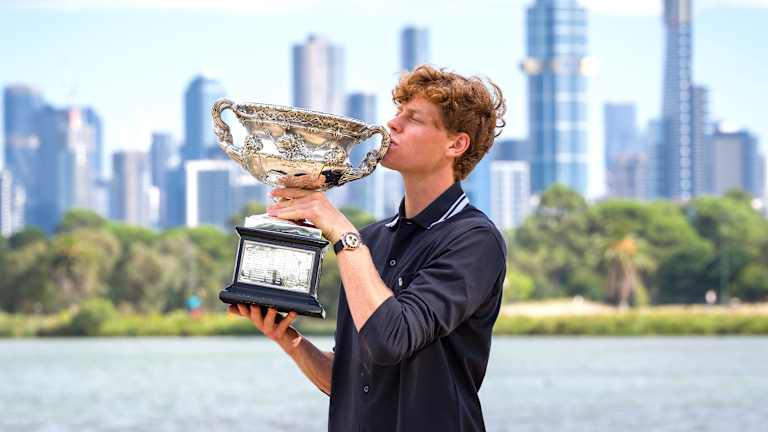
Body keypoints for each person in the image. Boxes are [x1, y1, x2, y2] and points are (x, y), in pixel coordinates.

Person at [228, 65, 507, 431]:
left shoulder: (473, 240)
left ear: (455, 144)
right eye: (397, 112)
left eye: (414, 118)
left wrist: (341, 232)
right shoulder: (370, 240)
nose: (393, 124)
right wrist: (290, 340)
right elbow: (349, 382)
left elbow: (392, 338)